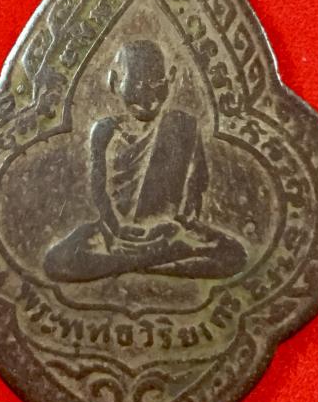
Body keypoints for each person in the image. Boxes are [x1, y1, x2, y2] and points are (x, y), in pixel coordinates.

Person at [44, 39, 246, 282]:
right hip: (115, 232)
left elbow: (195, 185)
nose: (147, 96)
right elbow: (98, 188)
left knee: (234, 254)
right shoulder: (104, 130)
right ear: (115, 82)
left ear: (171, 79)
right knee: (57, 261)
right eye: (136, 84)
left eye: (157, 83)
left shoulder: (184, 125)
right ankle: (153, 262)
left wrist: (176, 225)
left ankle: (132, 264)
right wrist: (116, 228)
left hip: (171, 231)